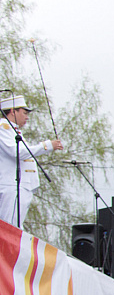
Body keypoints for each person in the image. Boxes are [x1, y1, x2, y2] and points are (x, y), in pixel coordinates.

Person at [0, 95, 63, 226]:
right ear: (13, 111)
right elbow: (17, 152)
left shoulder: (12, 130)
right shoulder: (3, 128)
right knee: (11, 227)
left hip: (21, 186)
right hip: (12, 185)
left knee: (16, 228)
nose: (27, 117)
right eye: (24, 113)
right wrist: (46, 146)